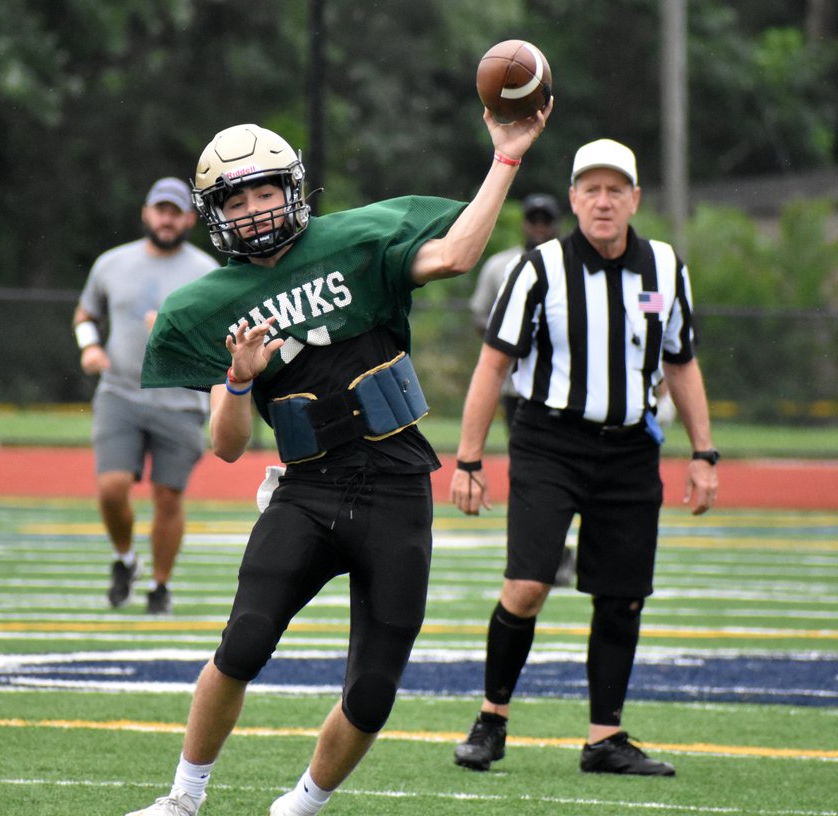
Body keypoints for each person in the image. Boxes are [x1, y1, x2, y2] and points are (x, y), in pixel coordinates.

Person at [125, 104, 550, 815]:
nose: (256, 209)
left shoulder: (356, 241)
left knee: (376, 686)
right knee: (245, 641)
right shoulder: (208, 303)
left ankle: (302, 805)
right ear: (215, 213)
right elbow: (226, 447)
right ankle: (182, 799)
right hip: (307, 489)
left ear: (294, 189)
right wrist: (237, 379)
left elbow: (455, 255)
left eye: (265, 191)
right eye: (237, 198)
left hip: (396, 484)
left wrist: (505, 155)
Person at [448, 138, 720, 777]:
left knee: (622, 596)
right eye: (591, 190)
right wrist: (467, 460)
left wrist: (704, 452)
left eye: (615, 189)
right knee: (528, 584)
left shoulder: (665, 266)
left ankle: (605, 738)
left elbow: (681, 363)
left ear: (635, 199)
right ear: (573, 199)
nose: (603, 201)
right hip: (550, 442)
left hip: (630, 448)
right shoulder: (539, 267)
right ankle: (491, 719)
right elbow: (494, 364)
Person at [73, 178, 216, 614]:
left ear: (190, 219)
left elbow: (220, 336)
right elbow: (85, 313)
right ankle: (124, 558)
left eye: (176, 212)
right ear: (146, 213)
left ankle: (160, 586)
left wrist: (177, 336)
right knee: (112, 487)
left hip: (181, 399)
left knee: (168, 497)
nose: (167, 219)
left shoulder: (207, 272)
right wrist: (89, 345)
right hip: (121, 391)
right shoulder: (111, 264)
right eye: (161, 210)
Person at [469, 192, 577, 587]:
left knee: (575, 469)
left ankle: (560, 549)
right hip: (519, 387)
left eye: (546, 220)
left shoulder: (574, 265)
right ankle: (547, 553)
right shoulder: (502, 265)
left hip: (568, 386)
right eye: (533, 219)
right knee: (535, 472)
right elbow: (481, 316)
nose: (539, 227)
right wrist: (515, 336)